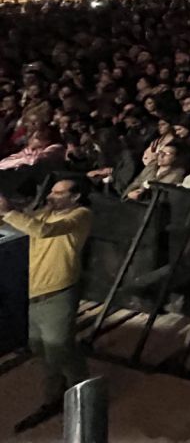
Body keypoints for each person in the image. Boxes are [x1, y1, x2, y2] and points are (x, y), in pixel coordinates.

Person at [0, 179, 92, 432]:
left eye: (58, 192)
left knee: (59, 349)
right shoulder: (45, 213)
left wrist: (9, 211)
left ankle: (84, 396)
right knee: (40, 346)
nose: (51, 195)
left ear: (75, 197)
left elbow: (43, 231)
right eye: (51, 190)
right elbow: (21, 224)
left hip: (59, 290)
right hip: (37, 290)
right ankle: (59, 393)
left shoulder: (80, 215)